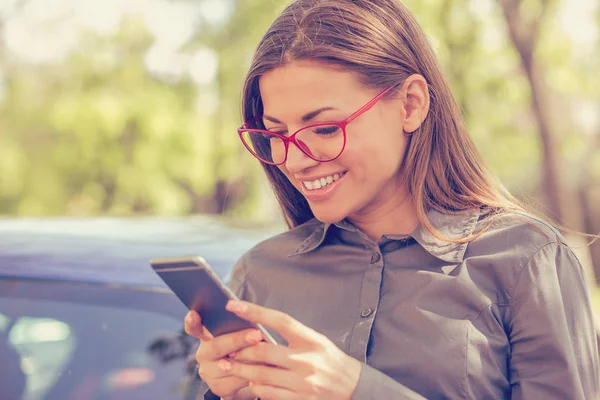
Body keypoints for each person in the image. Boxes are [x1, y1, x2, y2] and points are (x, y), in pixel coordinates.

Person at [184, 0, 600, 399]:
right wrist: (233, 393)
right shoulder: (261, 275)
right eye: (276, 134)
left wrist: (356, 390)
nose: (293, 160)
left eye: (325, 128)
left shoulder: (527, 261)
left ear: (411, 104)